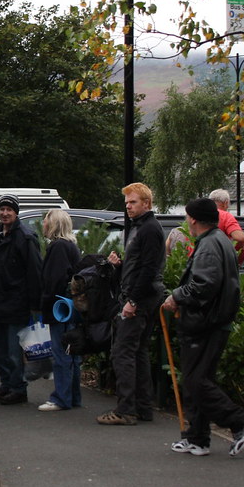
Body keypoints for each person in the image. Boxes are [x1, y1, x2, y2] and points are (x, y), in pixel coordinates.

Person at [162, 198, 244, 456]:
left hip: (205, 323)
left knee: (195, 382)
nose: (186, 222)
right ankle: (197, 438)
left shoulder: (208, 245)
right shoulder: (221, 240)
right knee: (200, 380)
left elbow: (204, 285)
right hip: (214, 321)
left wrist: (177, 296)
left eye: (187, 217)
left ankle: (239, 421)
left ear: (193, 219)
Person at [98, 182, 165, 425]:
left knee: (123, 352)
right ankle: (142, 407)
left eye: (133, 202)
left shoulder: (148, 229)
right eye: (126, 202)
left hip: (140, 299)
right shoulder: (142, 227)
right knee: (138, 352)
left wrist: (133, 300)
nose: (128, 206)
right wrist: (120, 265)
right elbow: (140, 266)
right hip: (143, 296)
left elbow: (148, 269)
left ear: (146, 203)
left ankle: (126, 410)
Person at [0, 193, 43, 405]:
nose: (4, 213)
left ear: (16, 212)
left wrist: (35, 303)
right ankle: (5, 385)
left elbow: (34, 272)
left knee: (14, 351)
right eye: (2, 209)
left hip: (16, 303)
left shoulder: (25, 238)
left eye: (9, 210)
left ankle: (18, 388)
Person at [37, 208, 82, 411]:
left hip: (59, 308)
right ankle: (73, 396)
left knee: (61, 352)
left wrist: (43, 303)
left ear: (53, 224)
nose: (43, 224)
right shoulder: (71, 246)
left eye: (46, 220)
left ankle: (61, 398)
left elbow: (54, 281)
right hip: (71, 307)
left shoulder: (57, 248)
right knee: (72, 353)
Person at [208, 188, 244, 265]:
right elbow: (240, 238)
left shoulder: (197, 215)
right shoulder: (225, 216)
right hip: (218, 263)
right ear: (225, 203)